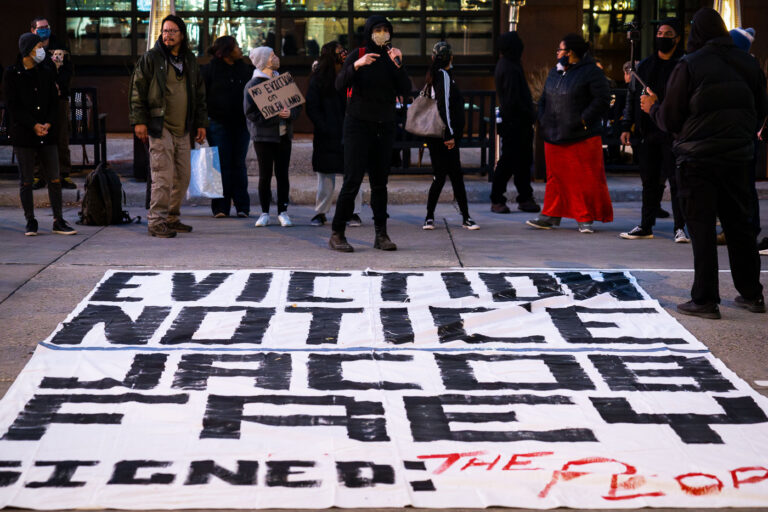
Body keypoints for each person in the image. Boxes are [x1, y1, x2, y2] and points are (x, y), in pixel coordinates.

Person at [642, 7, 767, 318]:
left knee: (701, 228)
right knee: (739, 226)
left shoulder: (689, 65)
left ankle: (705, 299)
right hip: (737, 157)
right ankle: (753, 294)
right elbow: (761, 108)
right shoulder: (748, 64)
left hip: (697, 160)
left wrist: (652, 107)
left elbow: (671, 118)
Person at [328, 15, 411, 252]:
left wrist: (399, 64)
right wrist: (357, 65)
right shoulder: (358, 54)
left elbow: (406, 89)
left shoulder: (392, 57)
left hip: (384, 125)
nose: (383, 33)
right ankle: (337, 233)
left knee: (380, 183)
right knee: (352, 180)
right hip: (357, 124)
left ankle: (381, 234)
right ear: (369, 32)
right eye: (378, 29)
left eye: (386, 30)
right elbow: (339, 85)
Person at [129, 14, 208, 238]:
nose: (168, 35)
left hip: (183, 127)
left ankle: (172, 217)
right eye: (165, 31)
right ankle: (156, 221)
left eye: (173, 31)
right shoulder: (151, 59)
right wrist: (139, 121)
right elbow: (137, 91)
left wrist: (201, 123)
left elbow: (200, 95)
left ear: (182, 35)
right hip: (159, 125)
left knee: (183, 177)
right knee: (162, 176)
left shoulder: (190, 60)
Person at [526, 33, 612, 233]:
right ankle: (550, 216)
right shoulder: (555, 72)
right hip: (554, 133)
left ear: (570, 52)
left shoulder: (591, 71)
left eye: (560, 50)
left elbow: (602, 98)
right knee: (555, 179)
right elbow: (545, 97)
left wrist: (582, 120)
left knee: (582, 178)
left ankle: (585, 217)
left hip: (580, 136)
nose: (557, 53)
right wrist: (543, 118)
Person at [619, 19, 689, 244]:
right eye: (659, 33)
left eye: (668, 33)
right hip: (648, 132)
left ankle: (680, 227)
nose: (663, 37)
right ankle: (646, 224)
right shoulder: (646, 66)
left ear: (677, 38)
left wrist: (660, 104)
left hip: (674, 133)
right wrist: (626, 125)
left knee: (676, 181)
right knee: (649, 181)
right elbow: (632, 95)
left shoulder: (684, 65)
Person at [5, 33, 76, 236]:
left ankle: (58, 219)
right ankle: (30, 220)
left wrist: (48, 123)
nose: (41, 50)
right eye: (37, 47)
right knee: (27, 179)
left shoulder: (45, 71)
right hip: (24, 133)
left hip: (47, 131)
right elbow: (13, 105)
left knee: (54, 177)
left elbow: (55, 102)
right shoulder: (13, 73)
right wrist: (33, 124)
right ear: (27, 50)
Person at [305, 41, 363, 228]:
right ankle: (321, 212)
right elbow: (312, 107)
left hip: (350, 130)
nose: (344, 54)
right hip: (328, 134)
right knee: (325, 176)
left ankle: (353, 212)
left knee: (353, 174)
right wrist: (325, 126)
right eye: (339, 51)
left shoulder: (351, 74)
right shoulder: (319, 78)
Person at [421, 41, 479, 231]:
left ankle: (429, 217)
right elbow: (443, 105)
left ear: (432, 57)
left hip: (434, 134)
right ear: (451, 58)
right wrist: (449, 134)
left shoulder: (431, 76)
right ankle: (466, 218)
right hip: (445, 135)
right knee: (455, 175)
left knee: (439, 176)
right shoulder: (444, 75)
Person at [244, 46, 301, 228]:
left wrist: (290, 113)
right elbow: (251, 113)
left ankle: (283, 211)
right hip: (263, 138)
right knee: (265, 175)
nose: (276, 58)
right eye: (272, 55)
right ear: (263, 60)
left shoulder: (282, 81)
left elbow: (297, 104)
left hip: (284, 136)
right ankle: (265, 212)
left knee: (283, 174)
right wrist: (277, 116)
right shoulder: (253, 85)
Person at [201, 35, 252, 218]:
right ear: (226, 51)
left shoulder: (245, 69)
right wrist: (201, 124)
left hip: (241, 124)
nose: (240, 49)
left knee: (238, 164)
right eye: (236, 46)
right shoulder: (209, 70)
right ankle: (221, 207)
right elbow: (202, 98)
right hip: (218, 123)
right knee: (221, 164)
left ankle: (242, 206)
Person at [489, 31, 539, 214]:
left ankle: (525, 197)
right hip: (515, 122)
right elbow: (513, 99)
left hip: (518, 121)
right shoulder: (509, 67)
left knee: (522, 162)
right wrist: (528, 113)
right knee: (509, 161)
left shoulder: (510, 64)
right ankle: (498, 198)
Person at [30, 17, 76, 191]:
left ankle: (64, 174)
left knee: (61, 136)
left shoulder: (60, 46)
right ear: (33, 30)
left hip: (58, 99)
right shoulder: (30, 47)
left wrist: (59, 86)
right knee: (38, 136)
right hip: (38, 100)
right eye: (40, 27)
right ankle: (38, 175)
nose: (44, 30)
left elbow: (68, 70)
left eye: (46, 27)